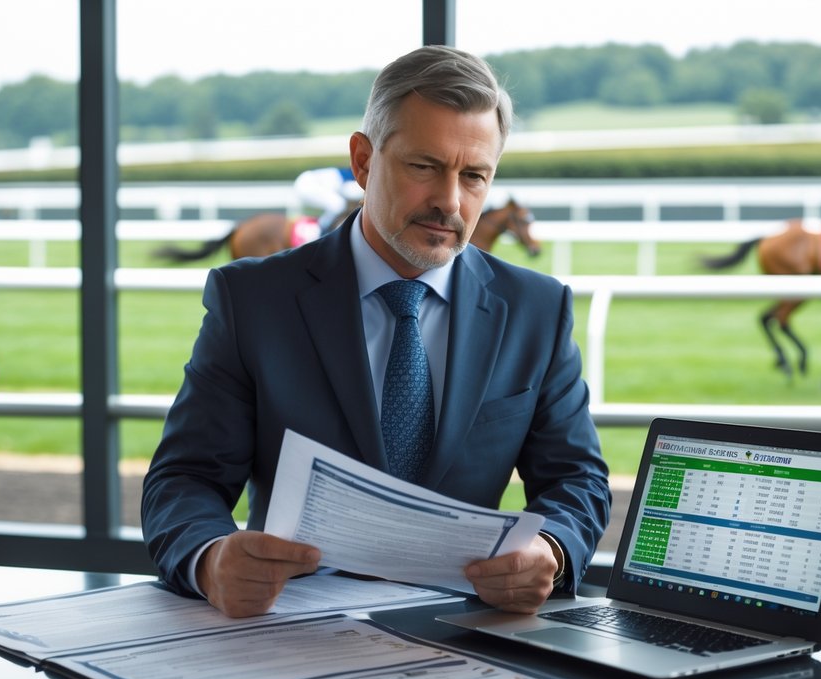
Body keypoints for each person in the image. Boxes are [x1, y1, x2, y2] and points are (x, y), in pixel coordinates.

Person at [141, 45, 610, 619]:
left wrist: (550, 550)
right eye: (424, 167)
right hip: (291, 632)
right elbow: (186, 478)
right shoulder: (254, 301)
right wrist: (211, 559)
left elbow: (577, 479)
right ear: (363, 162)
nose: (449, 201)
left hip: (464, 634)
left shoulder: (537, 309)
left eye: (474, 176)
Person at [293, 165, 364, 232]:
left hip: (306, 180)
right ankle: (321, 232)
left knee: (338, 205)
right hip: (307, 184)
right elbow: (357, 192)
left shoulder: (348, 174)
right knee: (338, 205)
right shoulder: (351, 177)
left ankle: (322, 229)